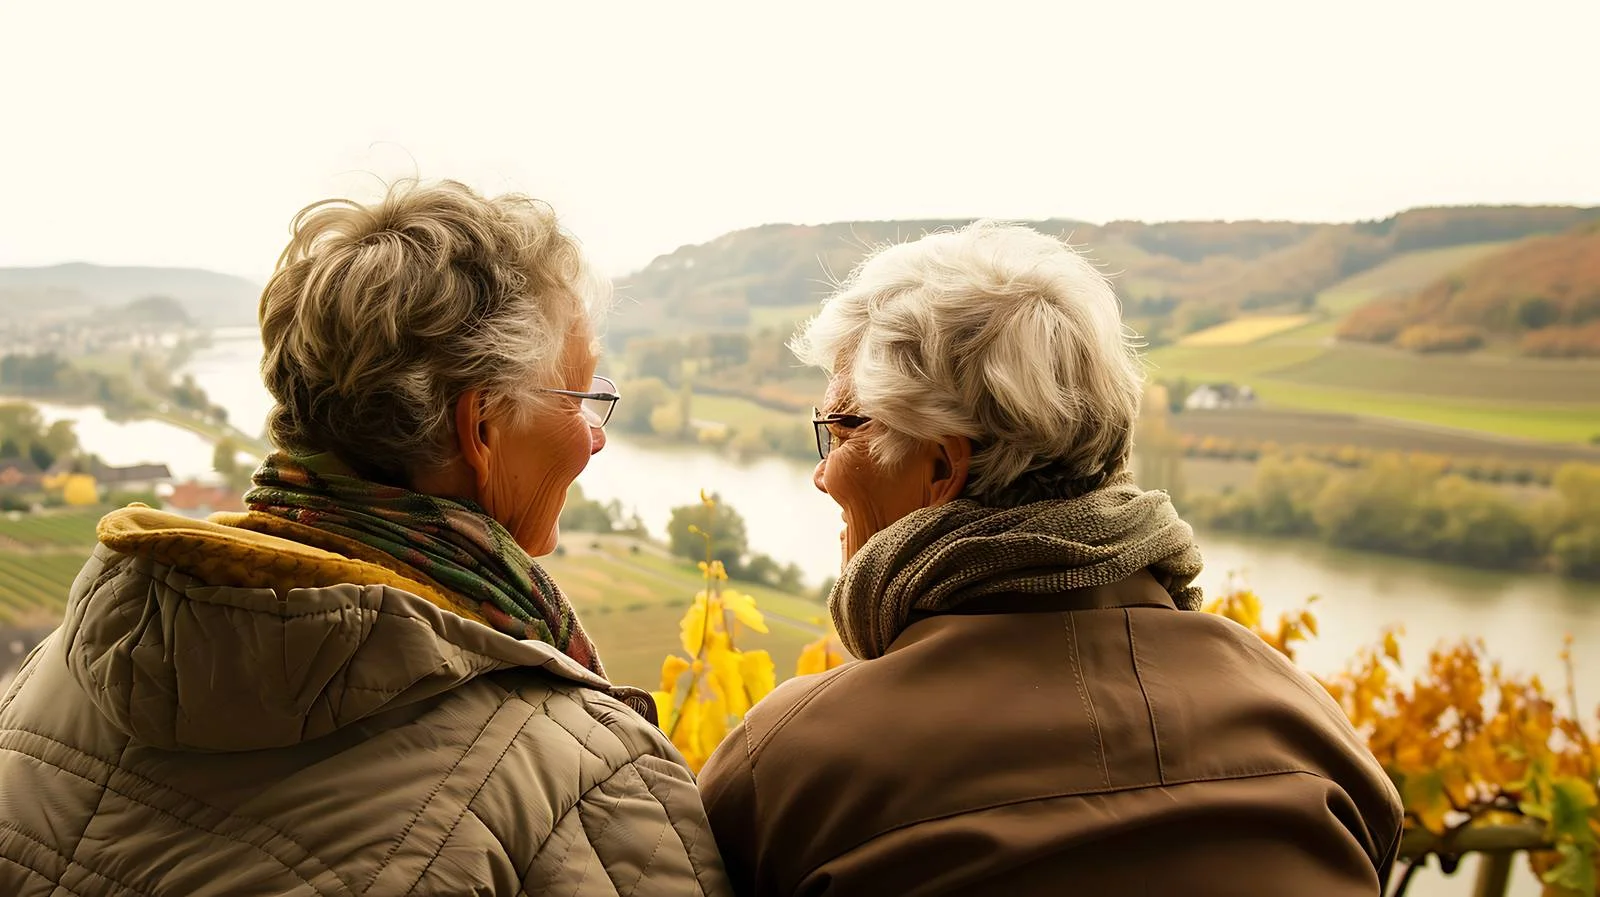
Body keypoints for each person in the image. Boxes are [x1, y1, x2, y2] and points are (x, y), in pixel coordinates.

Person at [0, 180, 731, 897]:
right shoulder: (584, 779)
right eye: (580, 397)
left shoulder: (60, 668)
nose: (596, 439)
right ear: (481, 426)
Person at [697, 221, 1404, 896]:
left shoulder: (792, 771)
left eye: (840, 429)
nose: (822, 474)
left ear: (941, 464)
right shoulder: (1313, 732)